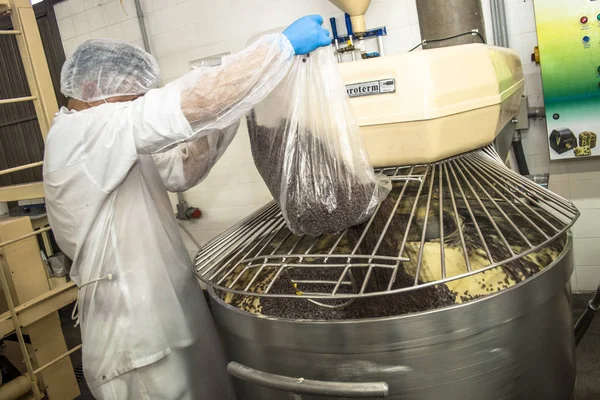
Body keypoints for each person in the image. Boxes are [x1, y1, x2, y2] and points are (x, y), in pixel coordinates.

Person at [43, 15, 331, 399]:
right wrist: (278, 48)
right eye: (133, 95)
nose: (140, 102)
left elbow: (182, 168)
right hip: (136, 343)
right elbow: (194, 101)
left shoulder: (114, 137)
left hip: (170, 317)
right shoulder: (82, 133)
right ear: (93, 88)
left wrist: (238, 101)